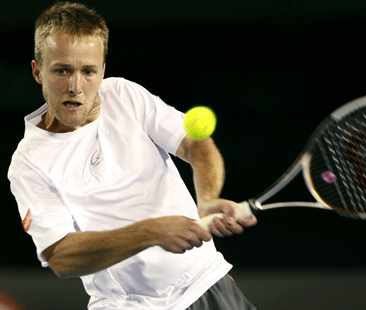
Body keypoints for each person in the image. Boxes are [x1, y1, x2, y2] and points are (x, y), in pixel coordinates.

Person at [8, 2, 257, 309]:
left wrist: (206, 198)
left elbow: (195, 141)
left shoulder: (125, 95)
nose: (75, 86)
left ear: (102, 72)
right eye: (62, 71)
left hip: (207, 283)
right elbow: (61, 256)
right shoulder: (29, 162)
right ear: (37, 71)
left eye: (88, 72)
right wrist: (152, 231)